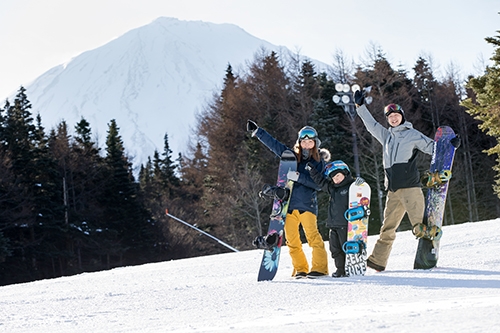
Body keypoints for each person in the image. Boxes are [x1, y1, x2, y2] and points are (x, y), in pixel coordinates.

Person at [353, 91, 436, 272]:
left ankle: (428, 257)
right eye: (390, 117)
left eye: (397, 115)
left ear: (402, 117)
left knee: (420, 227)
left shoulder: (412, 134)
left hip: (411, 188)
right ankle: (378, 261)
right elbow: (371, 125)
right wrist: (361, 107)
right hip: (393, 190)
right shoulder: (386, 136)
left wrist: (449, 144)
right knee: (387, 228)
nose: (394, 119)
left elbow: (432, 147)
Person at [247, 120, 329, 278]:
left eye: (309, 142)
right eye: (303, 141)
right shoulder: (291, 158)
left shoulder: (318, 163)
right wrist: (258, 132)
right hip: (288, 206)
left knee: (313, 237)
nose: (306, 145)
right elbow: (275, 146)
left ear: (315, 143)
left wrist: (299, 177)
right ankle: (301, 269)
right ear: (299, 142)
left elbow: (319, 185)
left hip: (307, 205)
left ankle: (320, 268)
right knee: (292, 240)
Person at [308, 160, 364, 277]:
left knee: (346, 248)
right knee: (334, 249)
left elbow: (361, 194)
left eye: (338, 176)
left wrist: (361, 184)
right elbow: (321, 182)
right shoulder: (332, 189)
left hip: (346, 225)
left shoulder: (352, 187)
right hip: (333, 225)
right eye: (333, 178)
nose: (336, 179)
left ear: (345, 173)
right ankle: (340, 269)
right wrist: (312, 171)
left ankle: (350, 267)